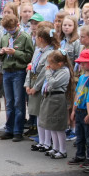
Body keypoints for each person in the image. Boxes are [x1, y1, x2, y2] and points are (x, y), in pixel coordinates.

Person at [0, 14, 34, 141]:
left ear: (17, 25)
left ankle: (18, 130)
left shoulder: (24, 37)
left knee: (19, 102)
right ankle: (9, 129)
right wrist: (1, 53)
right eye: (7, 29)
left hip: (19, 71)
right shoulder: (5, 36)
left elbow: (29, 56)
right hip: (7, 71)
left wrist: (15, 53)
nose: (9, 30)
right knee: (9, 102)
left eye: (11, 28)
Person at [28, 23, 58, 151]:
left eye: (35, 36)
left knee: (44, 115)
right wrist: (27, 84)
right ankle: (41, 141)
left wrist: (36, 87)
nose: (34, 38)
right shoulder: (37, 51)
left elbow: (43, 73)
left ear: (41, 39)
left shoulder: (50, 53)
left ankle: (47, 142)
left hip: (42, 87)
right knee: (38, 114)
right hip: (33, 84)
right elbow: (31, 68)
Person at [38, 50, 74, 158]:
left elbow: (53, 83)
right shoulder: (55, 70)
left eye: (51, 63)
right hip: (51, 98)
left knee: (58, 126)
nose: (49, 66)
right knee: (52, 125)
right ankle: (55, 148)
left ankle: (63, 150)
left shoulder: (64, 71)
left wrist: (47, 72)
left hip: (58, 98)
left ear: (60, 63)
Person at [69, 49, 89, 165]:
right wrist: (73, 110)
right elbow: (77, 94)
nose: (81, 64)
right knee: (79, 135)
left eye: (84, 62)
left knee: (88, 136)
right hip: (79, 110)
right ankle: (80, 155)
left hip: (88, 111)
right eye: (81, 62)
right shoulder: (81, 78)